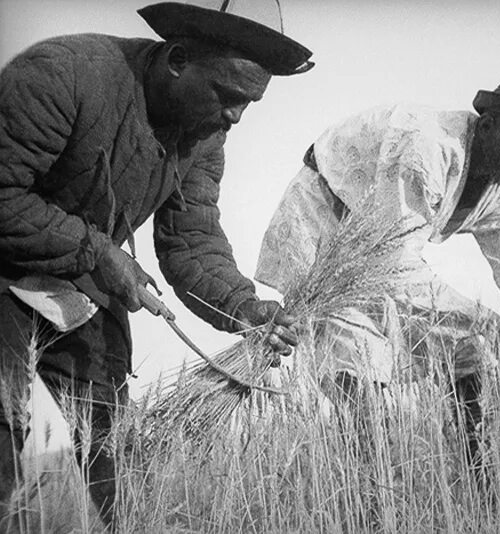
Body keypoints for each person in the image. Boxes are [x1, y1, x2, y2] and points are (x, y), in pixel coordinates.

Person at [255, 64, 500, 494]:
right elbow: (394, 264)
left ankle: (483, 488)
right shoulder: (427, 147)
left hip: (382, 250)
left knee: (465, 350)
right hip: (323, 232)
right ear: (488, 124)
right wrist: (490, 321)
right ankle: (371, 505)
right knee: (357, 374)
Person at [0, 1, 311, 527]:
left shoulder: (203, 135)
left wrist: (244, 306)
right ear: (178, 59)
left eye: (249, 104)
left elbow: (190, 241)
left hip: (81, 296)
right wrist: (99, 253)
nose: (235, 116)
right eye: (229, 96)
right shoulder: (62, 75)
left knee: (105, 468)